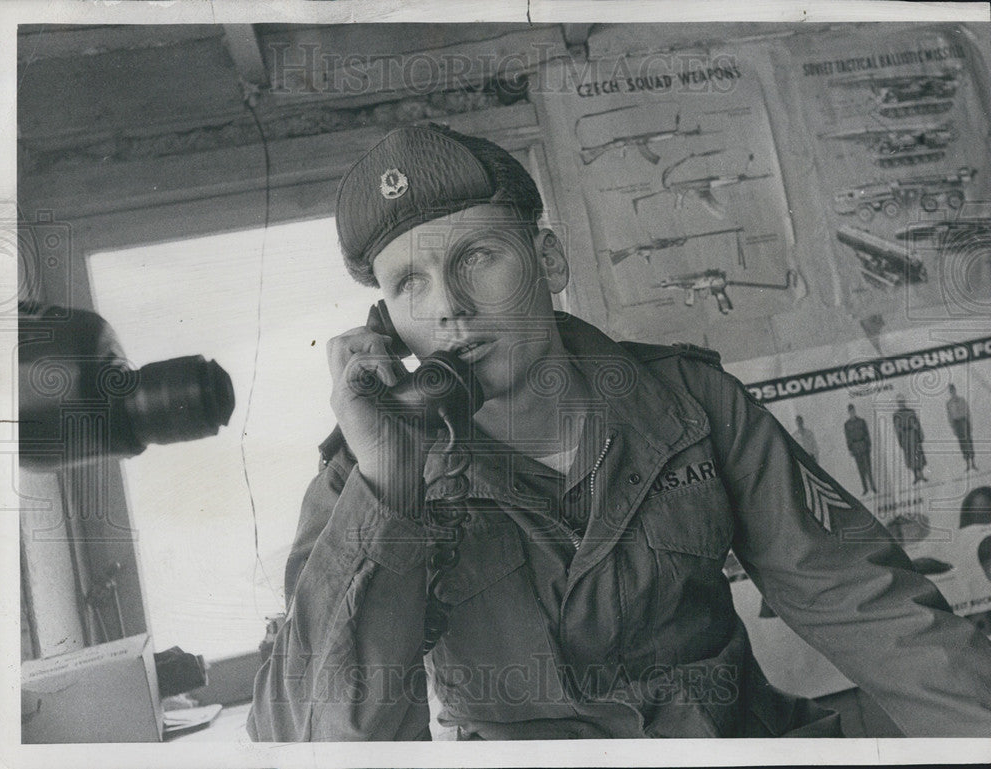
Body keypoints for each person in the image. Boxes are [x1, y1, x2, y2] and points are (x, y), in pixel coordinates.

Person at [248, 124, 991, 740]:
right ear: (387, 326)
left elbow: (872, 606)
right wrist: (390, 485)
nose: (449, 307)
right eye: (408, 283)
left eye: (476, 257)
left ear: (547, 260)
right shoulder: (367, 478)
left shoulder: (691, 403)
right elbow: (309, 737)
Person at [892, 395, 928, 484]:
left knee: (918, 455)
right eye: (899, 402)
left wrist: (920, 434)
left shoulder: (911, 412)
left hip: (914, 436)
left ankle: (921, 474)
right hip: (905, 438)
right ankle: (916, 476)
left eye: (902, 402)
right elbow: (897, 429)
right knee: (910, 457)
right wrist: (900, 441)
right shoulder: (896, 415)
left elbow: (917, 424)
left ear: (904, 402)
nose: (901, 404)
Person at [843, 404, 876, 495]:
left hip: (864, 446)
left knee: (868, 468)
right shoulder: (847, 425)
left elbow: (866, 434)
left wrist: (869, 445)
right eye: (850, 411)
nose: (852, 413)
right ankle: (865, 488)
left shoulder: (861, 421)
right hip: (855, 448)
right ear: (848, 412)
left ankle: (873, 487)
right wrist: (850, 449)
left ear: (855, 411)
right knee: (861, 470)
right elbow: (848, 437)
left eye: (853, 410)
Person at [946, 383, 978, 472]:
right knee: (963, 444)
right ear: (950, 392)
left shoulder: (962, 400)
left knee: (969, 442)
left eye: (953, 390)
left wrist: (970, 424)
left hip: (964, 422)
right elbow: (949, 416)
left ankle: (973, 463)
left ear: (955, 390)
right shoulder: (949, 404)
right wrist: (953, 428)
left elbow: (967, 412)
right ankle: (967, 464)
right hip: (957, 424)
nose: (952, 392)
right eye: (951, 391)